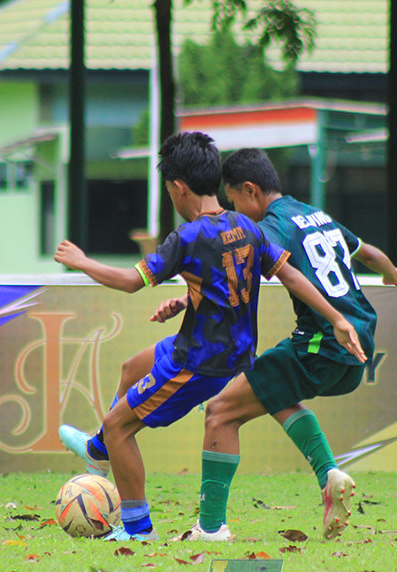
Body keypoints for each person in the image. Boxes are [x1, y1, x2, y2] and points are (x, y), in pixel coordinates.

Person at [55, 132, 366, 541]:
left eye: (169, 191)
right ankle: (97, 452)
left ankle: (136, 529)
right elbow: (290, 275)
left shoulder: (186, 237)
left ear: (179, 188)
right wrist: (336, 317)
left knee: (119, 428)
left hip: (199, 362)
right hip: (221, 349)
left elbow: (131, 281)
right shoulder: (247, 227)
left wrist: (82, 262)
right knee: (132, 368)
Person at [163, 147, 397, 542]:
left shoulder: (273, 225)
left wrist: (185, 299)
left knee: (221, 412)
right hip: (358, 339)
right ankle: (328, 473)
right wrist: (393, 273)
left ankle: (210, 528)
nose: (237, 214)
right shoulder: (317, 214)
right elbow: (369, 253)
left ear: (250, 191)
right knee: (269, 388)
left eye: (235, 204)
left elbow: (245, 264)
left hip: (323, 340)